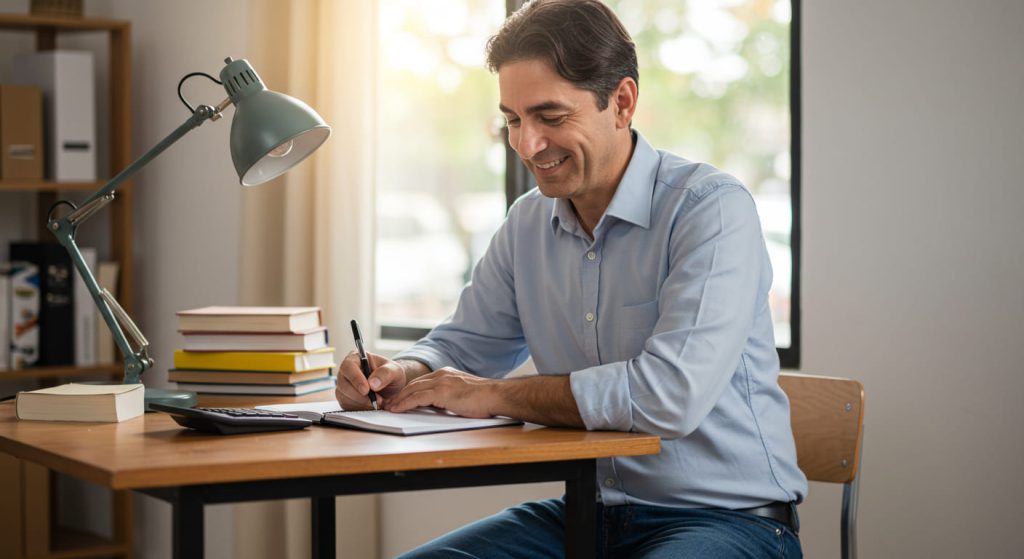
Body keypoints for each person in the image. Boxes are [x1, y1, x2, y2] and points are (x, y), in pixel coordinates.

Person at [336, 0, 807, 556]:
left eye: (551, 118)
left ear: (623, 102)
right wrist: (405, 371)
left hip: (729, 522)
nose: (527, 145)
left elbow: (668, 397)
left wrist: (490, 396)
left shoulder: (711, 210)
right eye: (512, 120)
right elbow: (466, 343)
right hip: (585, 512)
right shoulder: (528, 222)